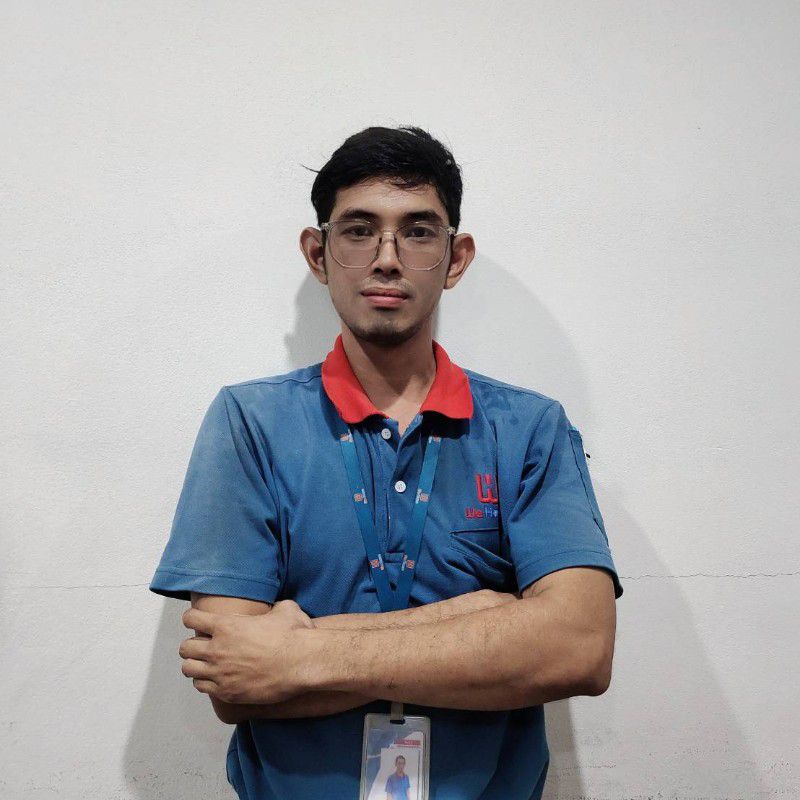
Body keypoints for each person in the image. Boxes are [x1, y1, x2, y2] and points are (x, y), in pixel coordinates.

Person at [149, 124, 623, 800]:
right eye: (359, 230)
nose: (388, 259)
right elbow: (235, 679)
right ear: (318, 254)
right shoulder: (250, 422)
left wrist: (298, 653)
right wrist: (479, 618)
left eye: (419, 232)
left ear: (456, 258)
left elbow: (578, 648)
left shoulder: (528, 429)